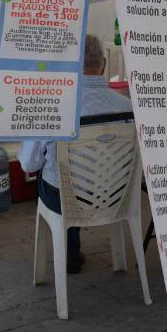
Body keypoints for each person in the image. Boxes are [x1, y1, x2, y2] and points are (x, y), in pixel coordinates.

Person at [19, 34, 130, 273]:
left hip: (65, 199)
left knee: (53, 175)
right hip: (117, 194)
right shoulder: (128, 108)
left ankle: (69, 254)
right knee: (72, 175)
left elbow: (29, 163)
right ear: (102, 63)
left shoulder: (53, 109)